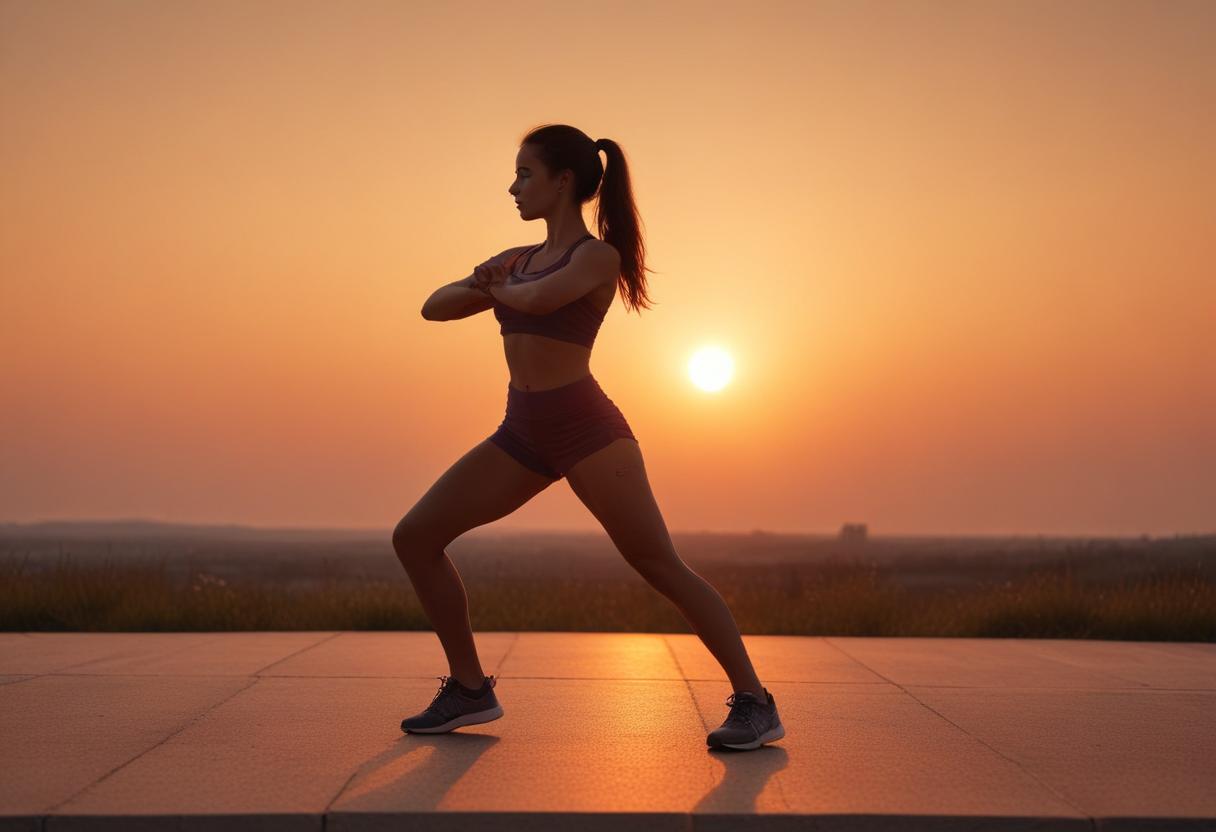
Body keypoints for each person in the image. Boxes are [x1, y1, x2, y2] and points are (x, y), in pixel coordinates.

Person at [395, 124, 784, 751]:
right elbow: (434, 306)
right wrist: (492, 281)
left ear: (563, 181)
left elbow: (546, 299)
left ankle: (755, 702)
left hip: (587, 430)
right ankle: (470, 690)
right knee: (414, 536)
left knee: (658, 563)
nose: (513, 187)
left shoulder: (595, 257)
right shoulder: (515, 260)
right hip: (521, 431)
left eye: (525, 173)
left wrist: (494, 284)